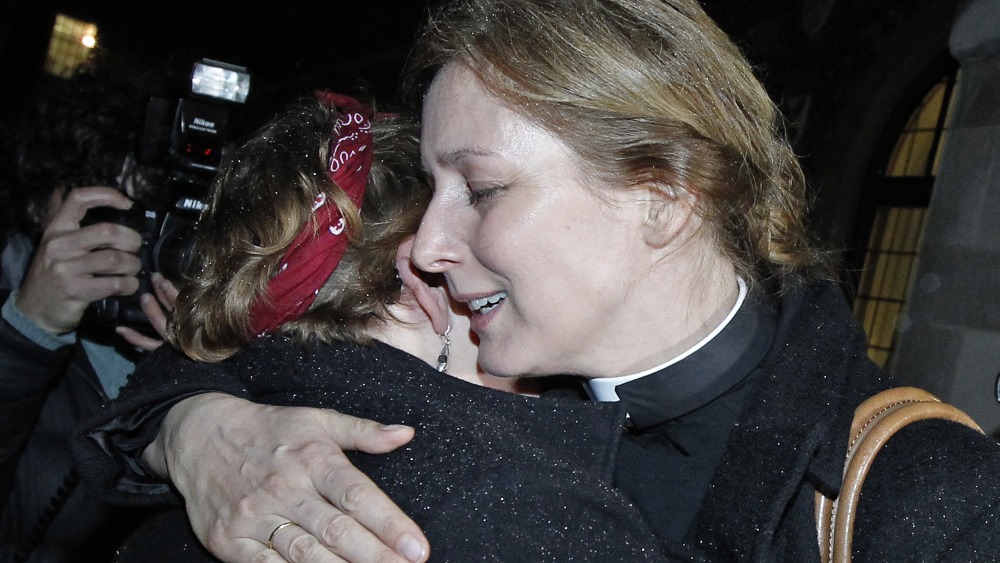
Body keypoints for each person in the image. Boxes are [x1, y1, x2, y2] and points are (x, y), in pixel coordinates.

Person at [81, 0, 1000, 562]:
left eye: (479, 188)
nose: (426, 245)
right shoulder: (477, 365)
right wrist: (193, 429)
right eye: (432, 188)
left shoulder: (929, 502)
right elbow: (236, 356)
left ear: (662, 194)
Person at [77, 92, 668, 562]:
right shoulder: (531, 511)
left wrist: (182, 419)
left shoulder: (234, 445)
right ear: (421, 273)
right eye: (479, 202)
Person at [0, 61, 175, 561]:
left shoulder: (173, 304)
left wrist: (194, 365)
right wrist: (27, 334)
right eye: (104, 205)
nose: (125, 234)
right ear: (39, 205)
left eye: (145, 206)